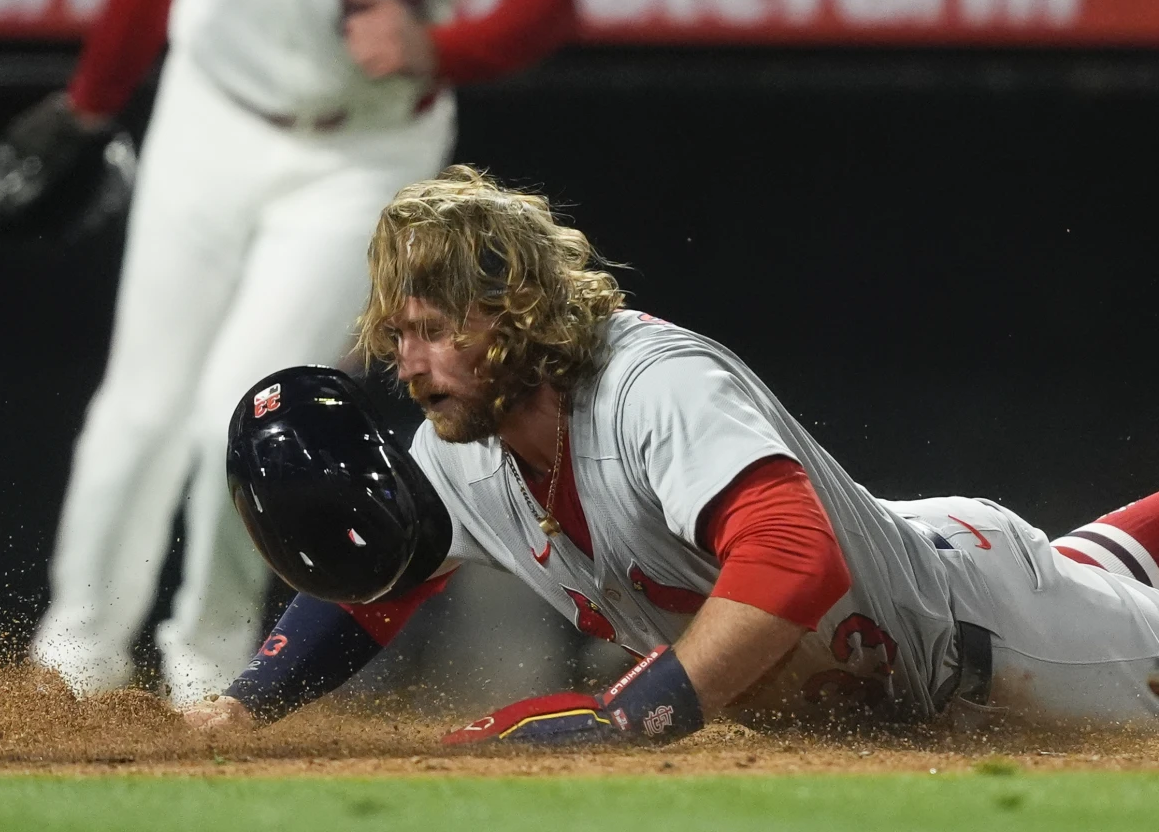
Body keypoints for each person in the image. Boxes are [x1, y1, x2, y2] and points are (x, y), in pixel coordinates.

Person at [183, 164, 1159, 741]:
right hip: (906, 625)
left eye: (431, 330)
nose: (407, 361)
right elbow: (379, 581)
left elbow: (794, 556)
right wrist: (247, 706)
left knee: (1105, 602)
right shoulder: (467, 445)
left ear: (511, 318)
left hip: (1004, 643)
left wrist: (633, 716)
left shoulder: (650, 387)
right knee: (1095, 560)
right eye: (397, 337)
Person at [23, 0, 579, 706]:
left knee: (238, 409)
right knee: (137, 407)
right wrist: (90, 106)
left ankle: (206, 670)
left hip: (362, 149)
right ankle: (71, 660)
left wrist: (437, 49)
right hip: (209, 115)